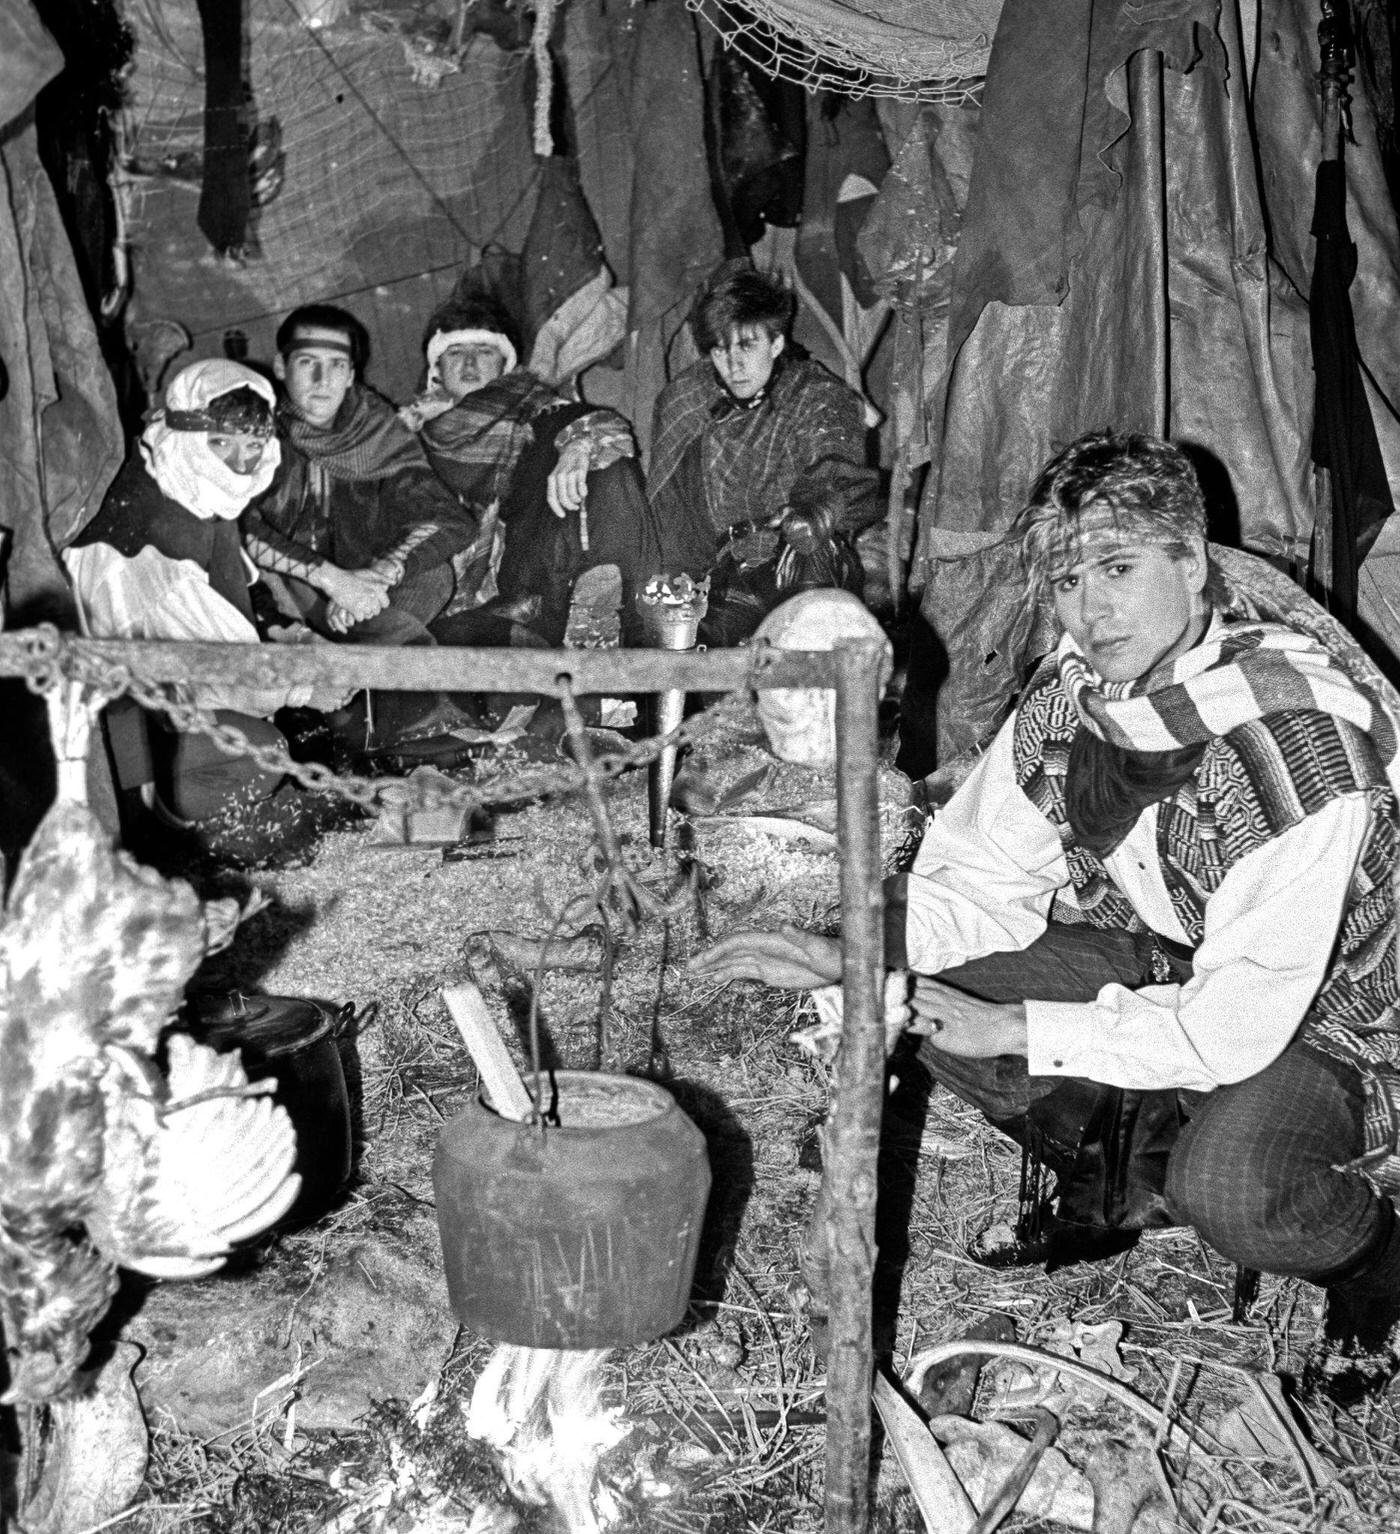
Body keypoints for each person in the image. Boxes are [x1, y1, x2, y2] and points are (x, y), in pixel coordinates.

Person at [691, 430, 1400, 1403]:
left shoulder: (1293, 753)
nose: (1090, 610)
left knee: (1229, 1185)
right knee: (921, 993)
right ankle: (1118, 1183)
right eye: (1067, 580)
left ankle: (1372, 1260)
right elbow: (980, 880)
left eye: (1118, 568)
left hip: (1336, 1020)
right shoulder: (1085, 699)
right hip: (1176, 952)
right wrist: (847, 949)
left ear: (1192, 564)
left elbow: (1233, 1028)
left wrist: (1015, 1027)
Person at [64, 359, 348, 867]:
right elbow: (208, 667)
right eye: (222, 443)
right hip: (117, 730)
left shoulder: (183, 480)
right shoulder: (150, 536)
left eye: (253, 446)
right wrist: (304, 688)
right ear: (189, 435)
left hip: (172, 697)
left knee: (305, 743)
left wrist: (290, 633)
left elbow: (239, 586)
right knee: (265, 754)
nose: (240, 464)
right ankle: (159, 836)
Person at [241, 304, 479, 743]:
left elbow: (447, 519)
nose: (322, 381)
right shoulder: (257, 432)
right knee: (389, 629)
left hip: (360, 595)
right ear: (280, 367)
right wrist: (333, 581)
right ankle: (405, 715)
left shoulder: (374, 429)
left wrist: (378, 575)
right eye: (307, 363)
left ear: (351, 374)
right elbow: (238, 531)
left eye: (336, 365)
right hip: (279, 594)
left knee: (433, 576)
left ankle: (354, 690)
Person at [646, 260, 880, 646]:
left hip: (796, 566)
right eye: (720, 350)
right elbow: (671, 516)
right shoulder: (689, 401)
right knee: (686, 649)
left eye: (746, 345)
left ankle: (811, 669)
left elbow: (840, 470)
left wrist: (817, 512)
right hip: (727, 575)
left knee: (812, 555)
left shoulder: (814, 394)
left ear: (775, 344)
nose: (734, 365)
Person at [408, 295, 663, 647]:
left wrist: (578, 447)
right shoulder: (407, 442)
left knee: (607, 464)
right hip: (448, 599)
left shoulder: (535, 409)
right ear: (435, 368)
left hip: (527, 585)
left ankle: (636, 622)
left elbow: (603, 425)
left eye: (484, 350)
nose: (469, 362)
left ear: (505, 362)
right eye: (455, 352)